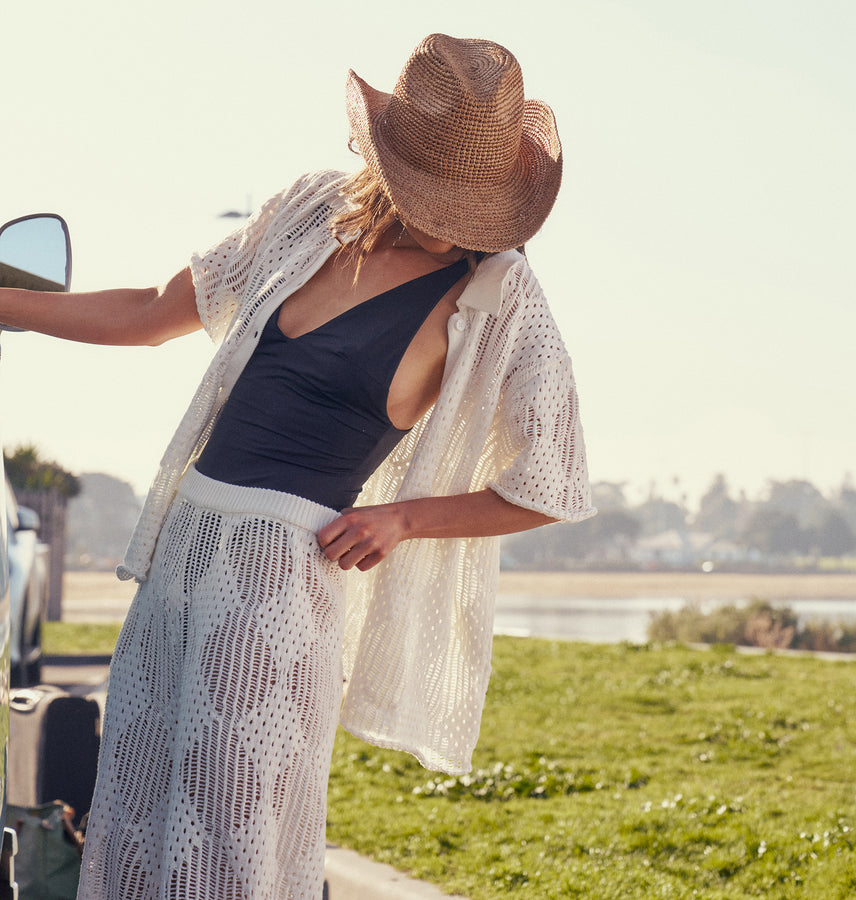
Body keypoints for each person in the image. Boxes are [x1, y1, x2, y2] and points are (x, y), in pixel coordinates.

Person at [0, 33, 595, 900]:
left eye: (470, 202)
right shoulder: (313, 211)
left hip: (280, 586)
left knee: (231, 841)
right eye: (434, 191)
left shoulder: (498, 294)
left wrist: (403, 519)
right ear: (390, 159)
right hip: (183, 557)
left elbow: (550, 480)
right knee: (133, 820)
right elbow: (154, 311)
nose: (447, 222)